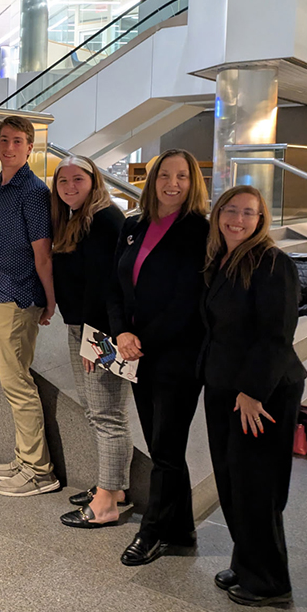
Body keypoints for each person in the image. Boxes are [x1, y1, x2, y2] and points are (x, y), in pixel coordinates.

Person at [202, 185, 306, 607]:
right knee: (232, 482)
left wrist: (252, 391)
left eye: (249, 213)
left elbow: (277, 334)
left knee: (255, 486)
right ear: (218, 214)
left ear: (260, 220)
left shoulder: (272, 262)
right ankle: (247, 560)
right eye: (231, 210)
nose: (238, 219)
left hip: (261, 392)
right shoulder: (222, 258)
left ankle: (269, 582)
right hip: (225, 384)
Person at [108, 148, 210, 566]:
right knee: (160, 445)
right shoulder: (135, 224)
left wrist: (139, 339)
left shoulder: (200, 231)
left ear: (193, 183)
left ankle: (152, 533)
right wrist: (121, 331)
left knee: (166, 447)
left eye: (182, 176)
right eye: (164, 175)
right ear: (152, 181)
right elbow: (116, 284)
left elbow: (189, 300)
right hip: (137, 351)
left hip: (177, 356)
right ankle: (182, 531)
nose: (172, 183)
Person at [0, 116, 60, 497]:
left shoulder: (33, 191)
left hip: (18, 297)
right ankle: (24, 457)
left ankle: (40, 470)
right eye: (4, 140)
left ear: (30, 148)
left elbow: (42, 253)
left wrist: (49, 298)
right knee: (12, 383)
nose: (9, 147)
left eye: (17, 141)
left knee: (18, 384)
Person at [49, 155, 132, 527]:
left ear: (94, 180)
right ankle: (112, 488)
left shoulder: (104, 219)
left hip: (99, 331)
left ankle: (107, 505)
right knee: (97, 410)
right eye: (63, 181)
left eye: (77, 179)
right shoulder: (76, 217)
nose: (70, 187)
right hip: (83, 327)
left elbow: (105, 285)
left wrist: (93, 339)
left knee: (106, 414)